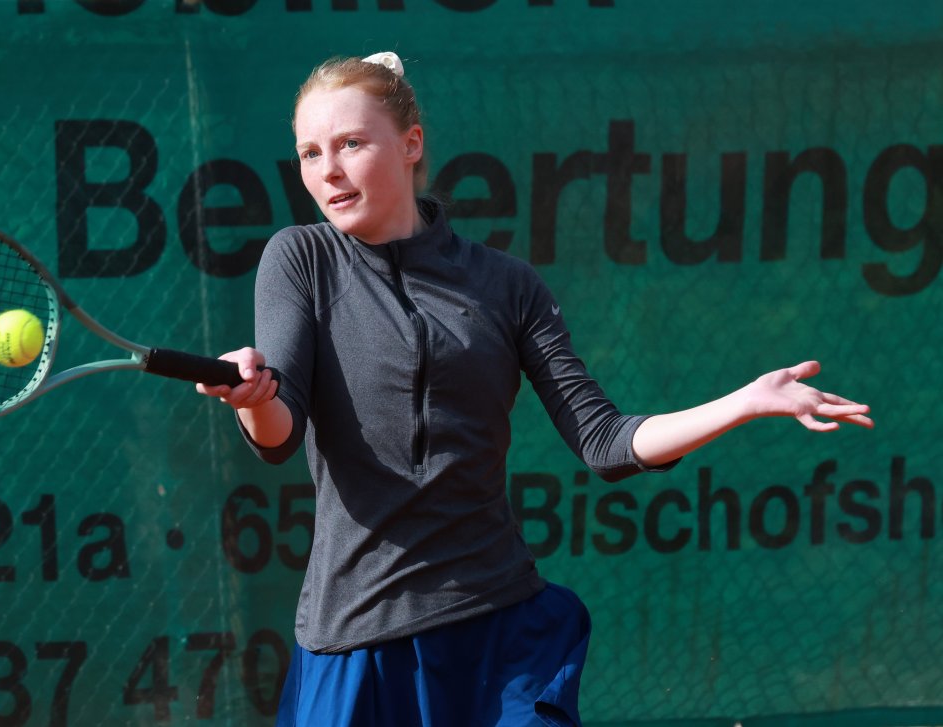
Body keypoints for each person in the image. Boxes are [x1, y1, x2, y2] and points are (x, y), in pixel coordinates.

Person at [196, 52, 873, 727]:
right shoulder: (299, 258)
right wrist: (254, 400)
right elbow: (280, 425)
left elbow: (605, 441)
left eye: (350, 144)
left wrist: (746, 401)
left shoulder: (507, 285)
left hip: (495, 631)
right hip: (357, 640)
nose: (329, 171)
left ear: (411, 144)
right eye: (310, 153)